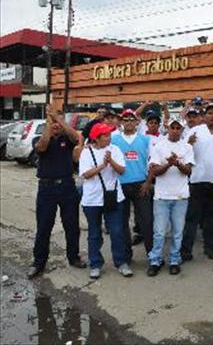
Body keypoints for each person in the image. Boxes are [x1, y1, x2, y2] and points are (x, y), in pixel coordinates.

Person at [27, 105, 86, 279]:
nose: (56, 125)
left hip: (67, 186)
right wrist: (49, 121)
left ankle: (73, 257)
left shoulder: (66, 139)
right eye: (53, 122)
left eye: (58, 121)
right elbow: (42, 146)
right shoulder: (39, 138)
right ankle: (38, 262)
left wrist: (58, 118)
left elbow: (77, 138)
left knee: (72, 225)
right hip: (47, 188)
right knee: (44, 227)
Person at [79, 123, 131, 279]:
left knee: (117, 231)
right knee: (94, 233)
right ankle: (95, 264)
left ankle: (121, 262)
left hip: (114, 197)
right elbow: (86, 174)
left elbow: (122, 171)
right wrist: (102, 165)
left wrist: (111, 162)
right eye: (106, 135)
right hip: (93, 200)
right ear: (96, 138)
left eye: (109, 135)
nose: (109, 138)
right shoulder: (87, 152)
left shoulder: (114, 149)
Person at [181, 103, 213, 261]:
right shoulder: (195, 131)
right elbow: (183, 151)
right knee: (192, 217)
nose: (212, 116)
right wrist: (188, 143)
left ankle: (210, 248)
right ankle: (186, 250)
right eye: (209, 113)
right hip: (197, 180)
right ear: (204, 116)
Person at [147, 118, 195, 276]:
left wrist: (177, 164)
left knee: (177, 232)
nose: (175, 130)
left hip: (180, 196)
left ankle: (175, 259)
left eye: (178, 128)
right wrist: (168, 164)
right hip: (161, 196)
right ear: (167, 128)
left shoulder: (187, 147)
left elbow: (188, 171)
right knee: (159, 232)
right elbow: (154, 171)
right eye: (172, 127)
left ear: (182, 130)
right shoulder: (158, 146)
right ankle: (156, 260)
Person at [111, 109, 153, 262]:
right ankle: (126, 256)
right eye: (125, 119)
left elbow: (153, 162)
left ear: (137, 122)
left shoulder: (146, 139)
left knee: (147, 222)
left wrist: (148, 182)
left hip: (141, 185)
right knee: (122, 223)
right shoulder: (114, 139)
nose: (129, 122)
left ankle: (152, 256)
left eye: (131, 119)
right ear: (121, 122)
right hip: (121, 185)